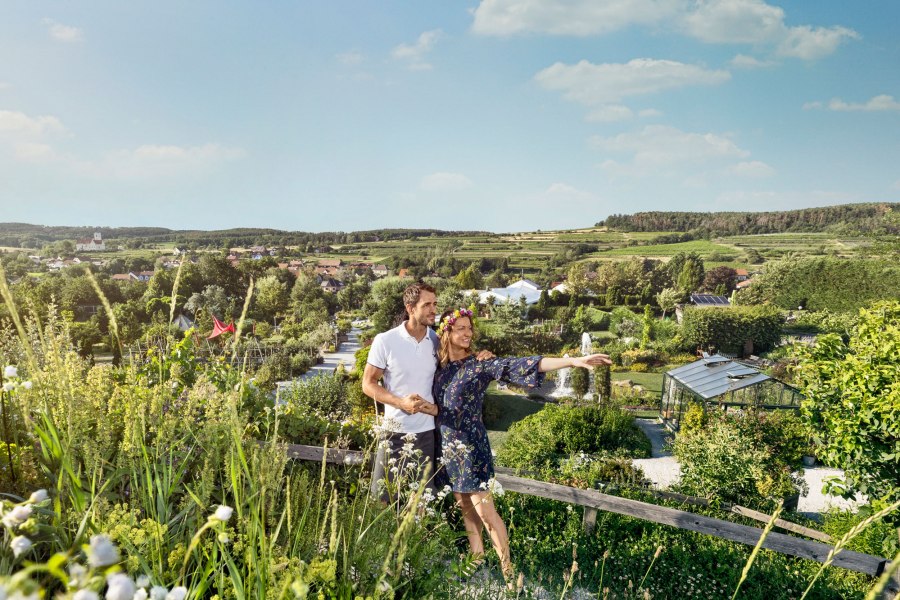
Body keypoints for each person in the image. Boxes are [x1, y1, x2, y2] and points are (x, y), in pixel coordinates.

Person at [432, 307, 612, 584]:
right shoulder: (440, 366)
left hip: (472, 447)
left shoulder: (481, 364)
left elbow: (523, 364)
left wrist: (573, 361)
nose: (468, 334)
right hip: (448, 446)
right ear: (447, 331)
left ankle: (507, 573)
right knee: (464, 506)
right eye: (461, 329)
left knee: (485, 511)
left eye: (470, 328)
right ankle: (476, 561)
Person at [362, 283, 491, 501]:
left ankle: (413, 535)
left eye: (435, 304)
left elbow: (460, 360)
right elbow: (368, 384)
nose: (434, 310)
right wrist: (401, 403)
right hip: (393, 432)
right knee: (382, 500)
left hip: (427, 434)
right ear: (411, 308)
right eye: (427, 305)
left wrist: (482, 356)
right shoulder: (385, 340)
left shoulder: (436, 341)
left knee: (420, 502)